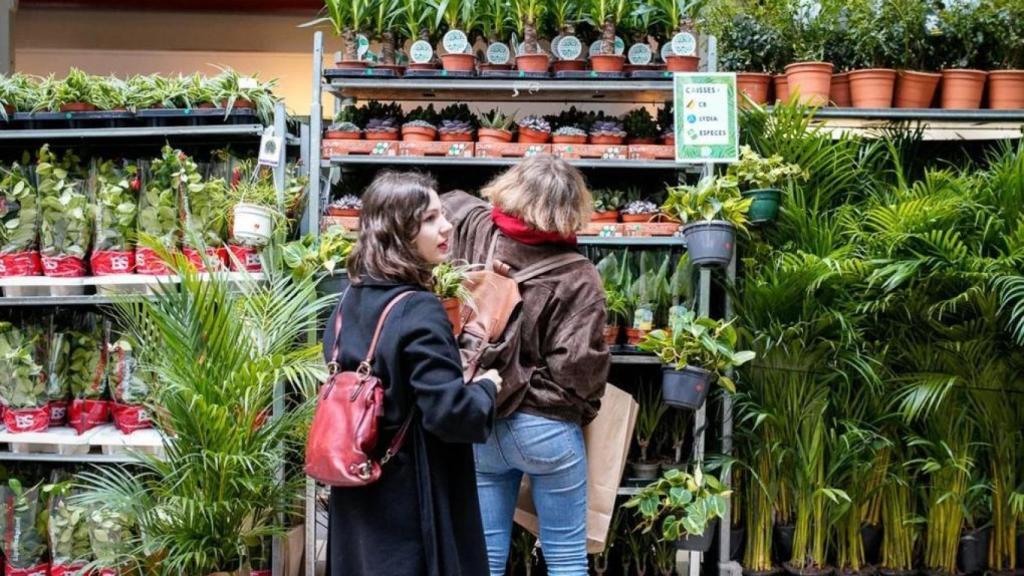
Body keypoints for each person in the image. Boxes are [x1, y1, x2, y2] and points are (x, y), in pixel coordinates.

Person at [323, 170, 502, 576]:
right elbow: (450, 414)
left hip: (357, 492)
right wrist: (487, 389)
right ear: (398, 231)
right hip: (411, 501)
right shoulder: (418, 309)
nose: (447, 226)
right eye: (429, 219)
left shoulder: (347, 299)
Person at [442, 155, 611, 575]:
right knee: (566, 554)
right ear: (571, 210)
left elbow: (441, 205)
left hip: (479, 415)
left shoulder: (474, 228)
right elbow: (580, 375)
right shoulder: (578, 276)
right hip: (545, 429)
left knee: (484, 556)